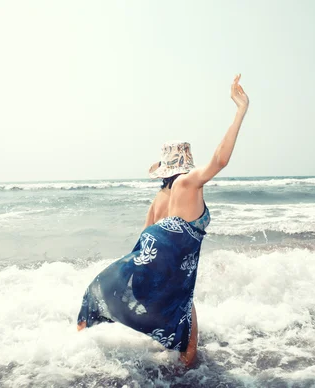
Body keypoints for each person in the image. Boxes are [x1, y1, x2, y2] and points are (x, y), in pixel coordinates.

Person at [77, 74, 249, 367]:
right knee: (186, 332)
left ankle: (77, 356)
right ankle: (186, 373)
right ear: (184, 166)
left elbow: (143, 241)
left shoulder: (157, 200)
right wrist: (240, 111)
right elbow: (220, 161)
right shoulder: (188, 184)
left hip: (149, 278)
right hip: (175, 284)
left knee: (95, 300)